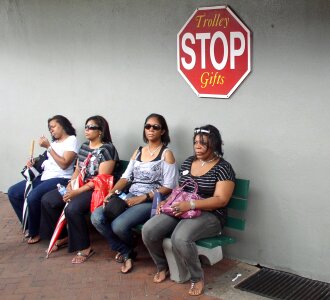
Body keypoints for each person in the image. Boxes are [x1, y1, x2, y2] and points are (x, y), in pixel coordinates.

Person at [142, 125, 236, 296]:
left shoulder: (223, 168)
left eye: (203, 143)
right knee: (149, 229)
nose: (197, 147)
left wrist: (191, 205)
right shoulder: (188, 162)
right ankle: (162, 266)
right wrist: (167, 202)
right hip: (182, 209)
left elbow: (221, 200)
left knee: (181, 237)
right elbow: (179, 188)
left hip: (211, 215)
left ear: (214, 145)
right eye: (195, 143)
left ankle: (196, 277)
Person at [91, 113, 178, 274]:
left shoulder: (166, 153)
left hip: (149, 200)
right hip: (129, 195)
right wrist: (112, 192)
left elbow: (169, 186)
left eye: (155, 127)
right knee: (97, 217)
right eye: (147, 126)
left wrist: (143, 197)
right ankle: (125, 250)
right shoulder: (138, 151)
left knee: (119, 225)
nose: (150, 130)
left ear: (163, 131)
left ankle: (128, 249)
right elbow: (125, 177)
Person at [40, 115, 119, 263]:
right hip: (79, 185)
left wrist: (76, 192)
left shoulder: (107, 149)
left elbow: (100, 180)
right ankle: (64, 236)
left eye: (91, 127)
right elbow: (77, 169)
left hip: (94, 189)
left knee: (72, 208)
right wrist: (71, 184)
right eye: (86, 127)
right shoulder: (84, 146)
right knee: (48, 200)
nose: (87, 130)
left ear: (101, 131)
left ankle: (84, 248)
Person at [7, 115, 78, 244]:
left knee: (33, 197)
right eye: (49, 128)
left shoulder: (71, 140)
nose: (51, 130)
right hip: (44, 177)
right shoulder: (55, 143)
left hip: (60, 178)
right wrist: (33, 162)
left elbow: (64, 164)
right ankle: (30, 225)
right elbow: (46, 161)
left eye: (53, 126)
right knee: (13, 192)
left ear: (63, 125)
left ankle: (36, 232)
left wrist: (48, 147)